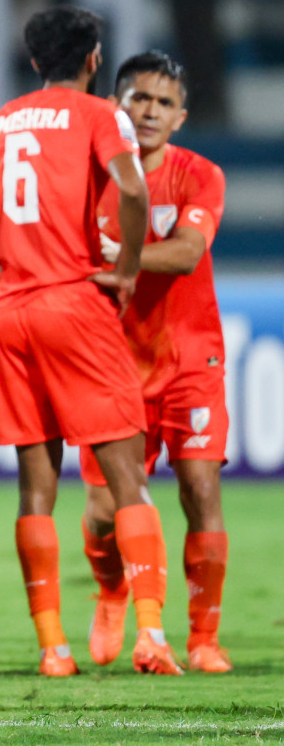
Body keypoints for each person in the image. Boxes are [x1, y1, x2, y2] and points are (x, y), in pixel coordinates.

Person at [0, 5, 183, 677]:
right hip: (76, 304)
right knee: (126, 479)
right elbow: (134, 193)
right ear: (93, 60)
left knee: (36, 489)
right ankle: (151, 634)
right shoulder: (98, 116)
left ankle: (53, 648)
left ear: (32, 63)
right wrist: (126, 268)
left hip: (14, 312)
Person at [79, 51, 232, 673]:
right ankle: (113, 591)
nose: (149, 111)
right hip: (112, 360)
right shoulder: (88, 176)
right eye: (138, 98)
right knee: (103, 514)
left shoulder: (200, 176)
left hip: (192, 356)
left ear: (181, 117)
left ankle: (202, 638)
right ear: (114, 106)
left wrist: (116, 260)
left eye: (163, 103)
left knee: (200, 488)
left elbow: (190, 253)